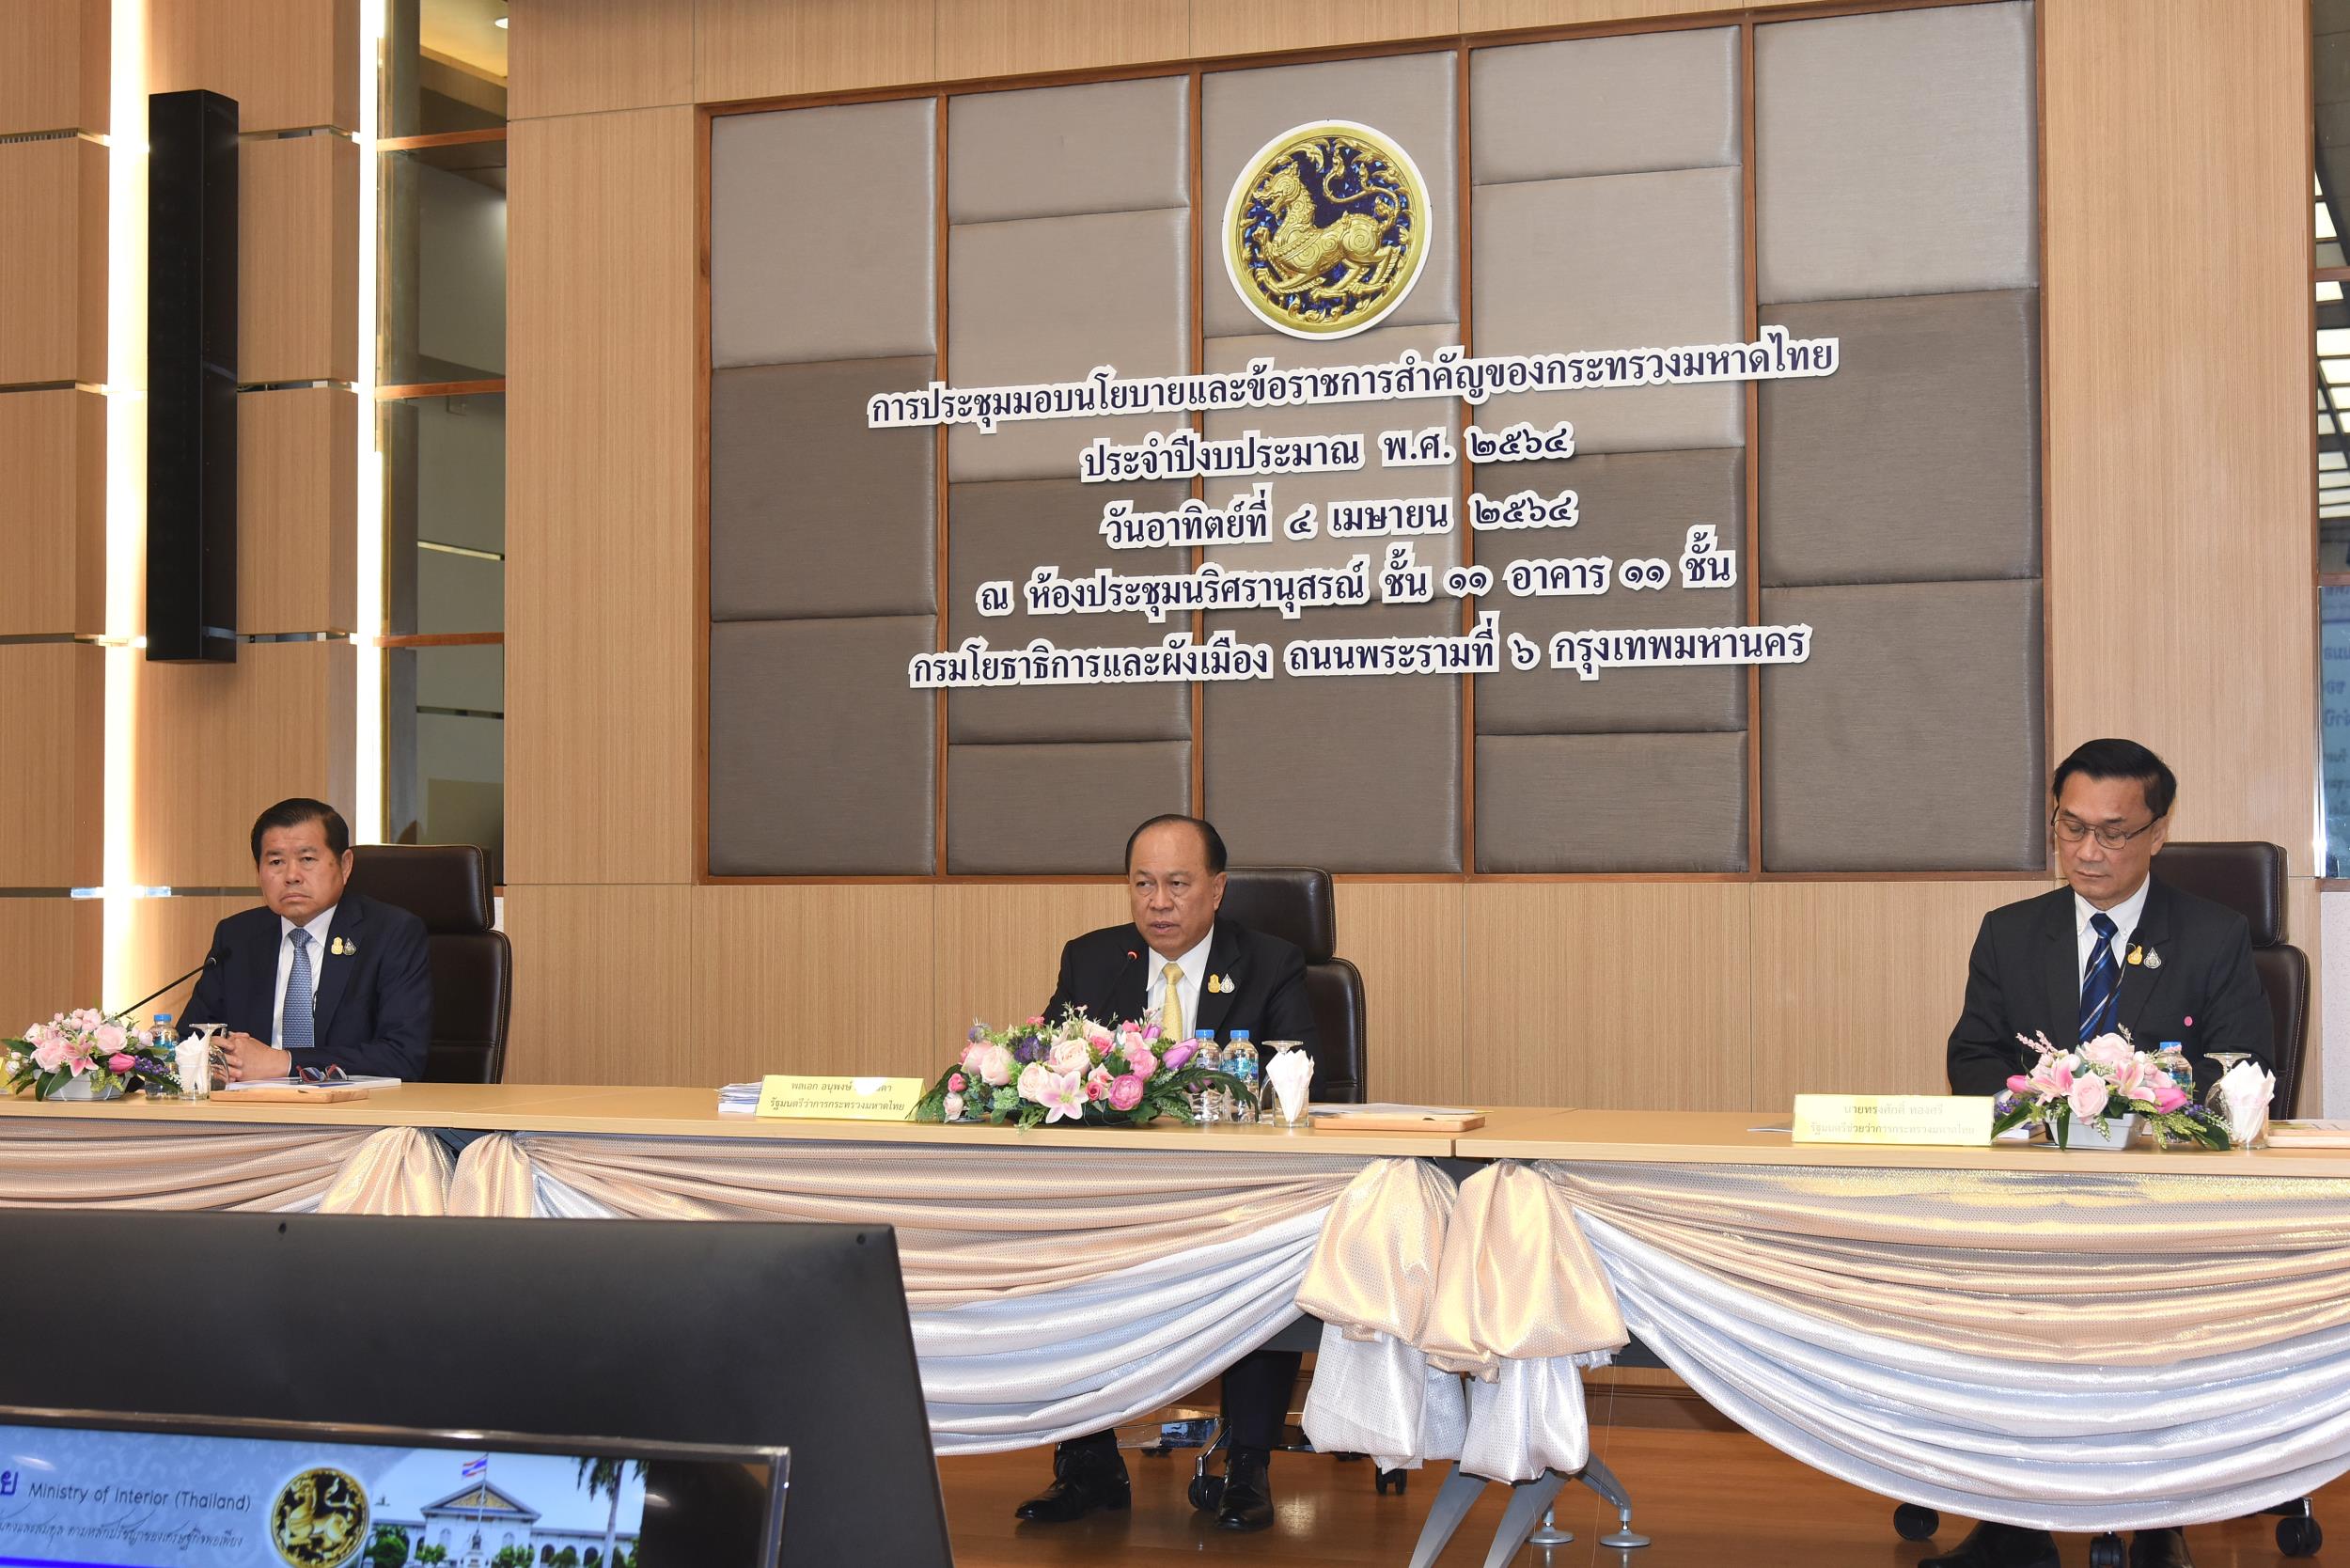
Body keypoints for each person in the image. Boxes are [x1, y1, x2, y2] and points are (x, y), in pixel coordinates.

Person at [1936, 739, 2273, 1568]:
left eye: (2114, 832)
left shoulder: (2214, 936)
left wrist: (2135, 1105)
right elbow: (1973, 1058)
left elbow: (2242, 1072)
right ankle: (2012, 1521)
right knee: (1989, 1299)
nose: (2089, 851)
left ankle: (2159, 1517)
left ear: (2158, 832)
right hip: (2036, 1193)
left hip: (2163, 1202)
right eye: (2071, 826)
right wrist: (2047, 1108)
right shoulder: (2011, 933)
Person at [1014, 813, 1318, 1536]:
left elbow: (1301, 1077)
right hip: (1119, 1190)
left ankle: (1247, 1465)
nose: (1158, 903)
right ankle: (1087, 1463)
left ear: (1217, 888)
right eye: (1143, 884)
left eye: (1178, 885)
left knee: (1265, 1258)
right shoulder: (1094, 960)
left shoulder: (1271, 962)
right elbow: (1050, 1070)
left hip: (1236, 1193)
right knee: (1063, 1253)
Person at [180, 797, 433, 1083]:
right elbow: (189, 1038)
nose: (291, 876)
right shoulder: (236, 937)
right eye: (276, 861)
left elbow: (402, 1056)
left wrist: (286, 1063)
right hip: (247, 1104)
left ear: (345, 865)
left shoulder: (391, 934)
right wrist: (210, 1054)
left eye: (307, 859)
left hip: (351, 1107)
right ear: (259, 870)